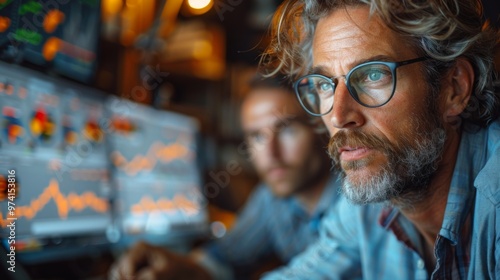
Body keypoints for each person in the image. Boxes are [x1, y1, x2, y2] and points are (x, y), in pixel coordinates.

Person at [259, 0, 500, 279]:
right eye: (325, 84)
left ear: (454, 88)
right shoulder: (368, 202)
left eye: (373, 75)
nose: (339, 116)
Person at [109, 75, 340, 280]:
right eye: (257, 136)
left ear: (320, 128)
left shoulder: (358, 198)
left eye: (287, 129)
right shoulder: (272, 198)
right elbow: (228, 257)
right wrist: (179, 267)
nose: (271, 154)